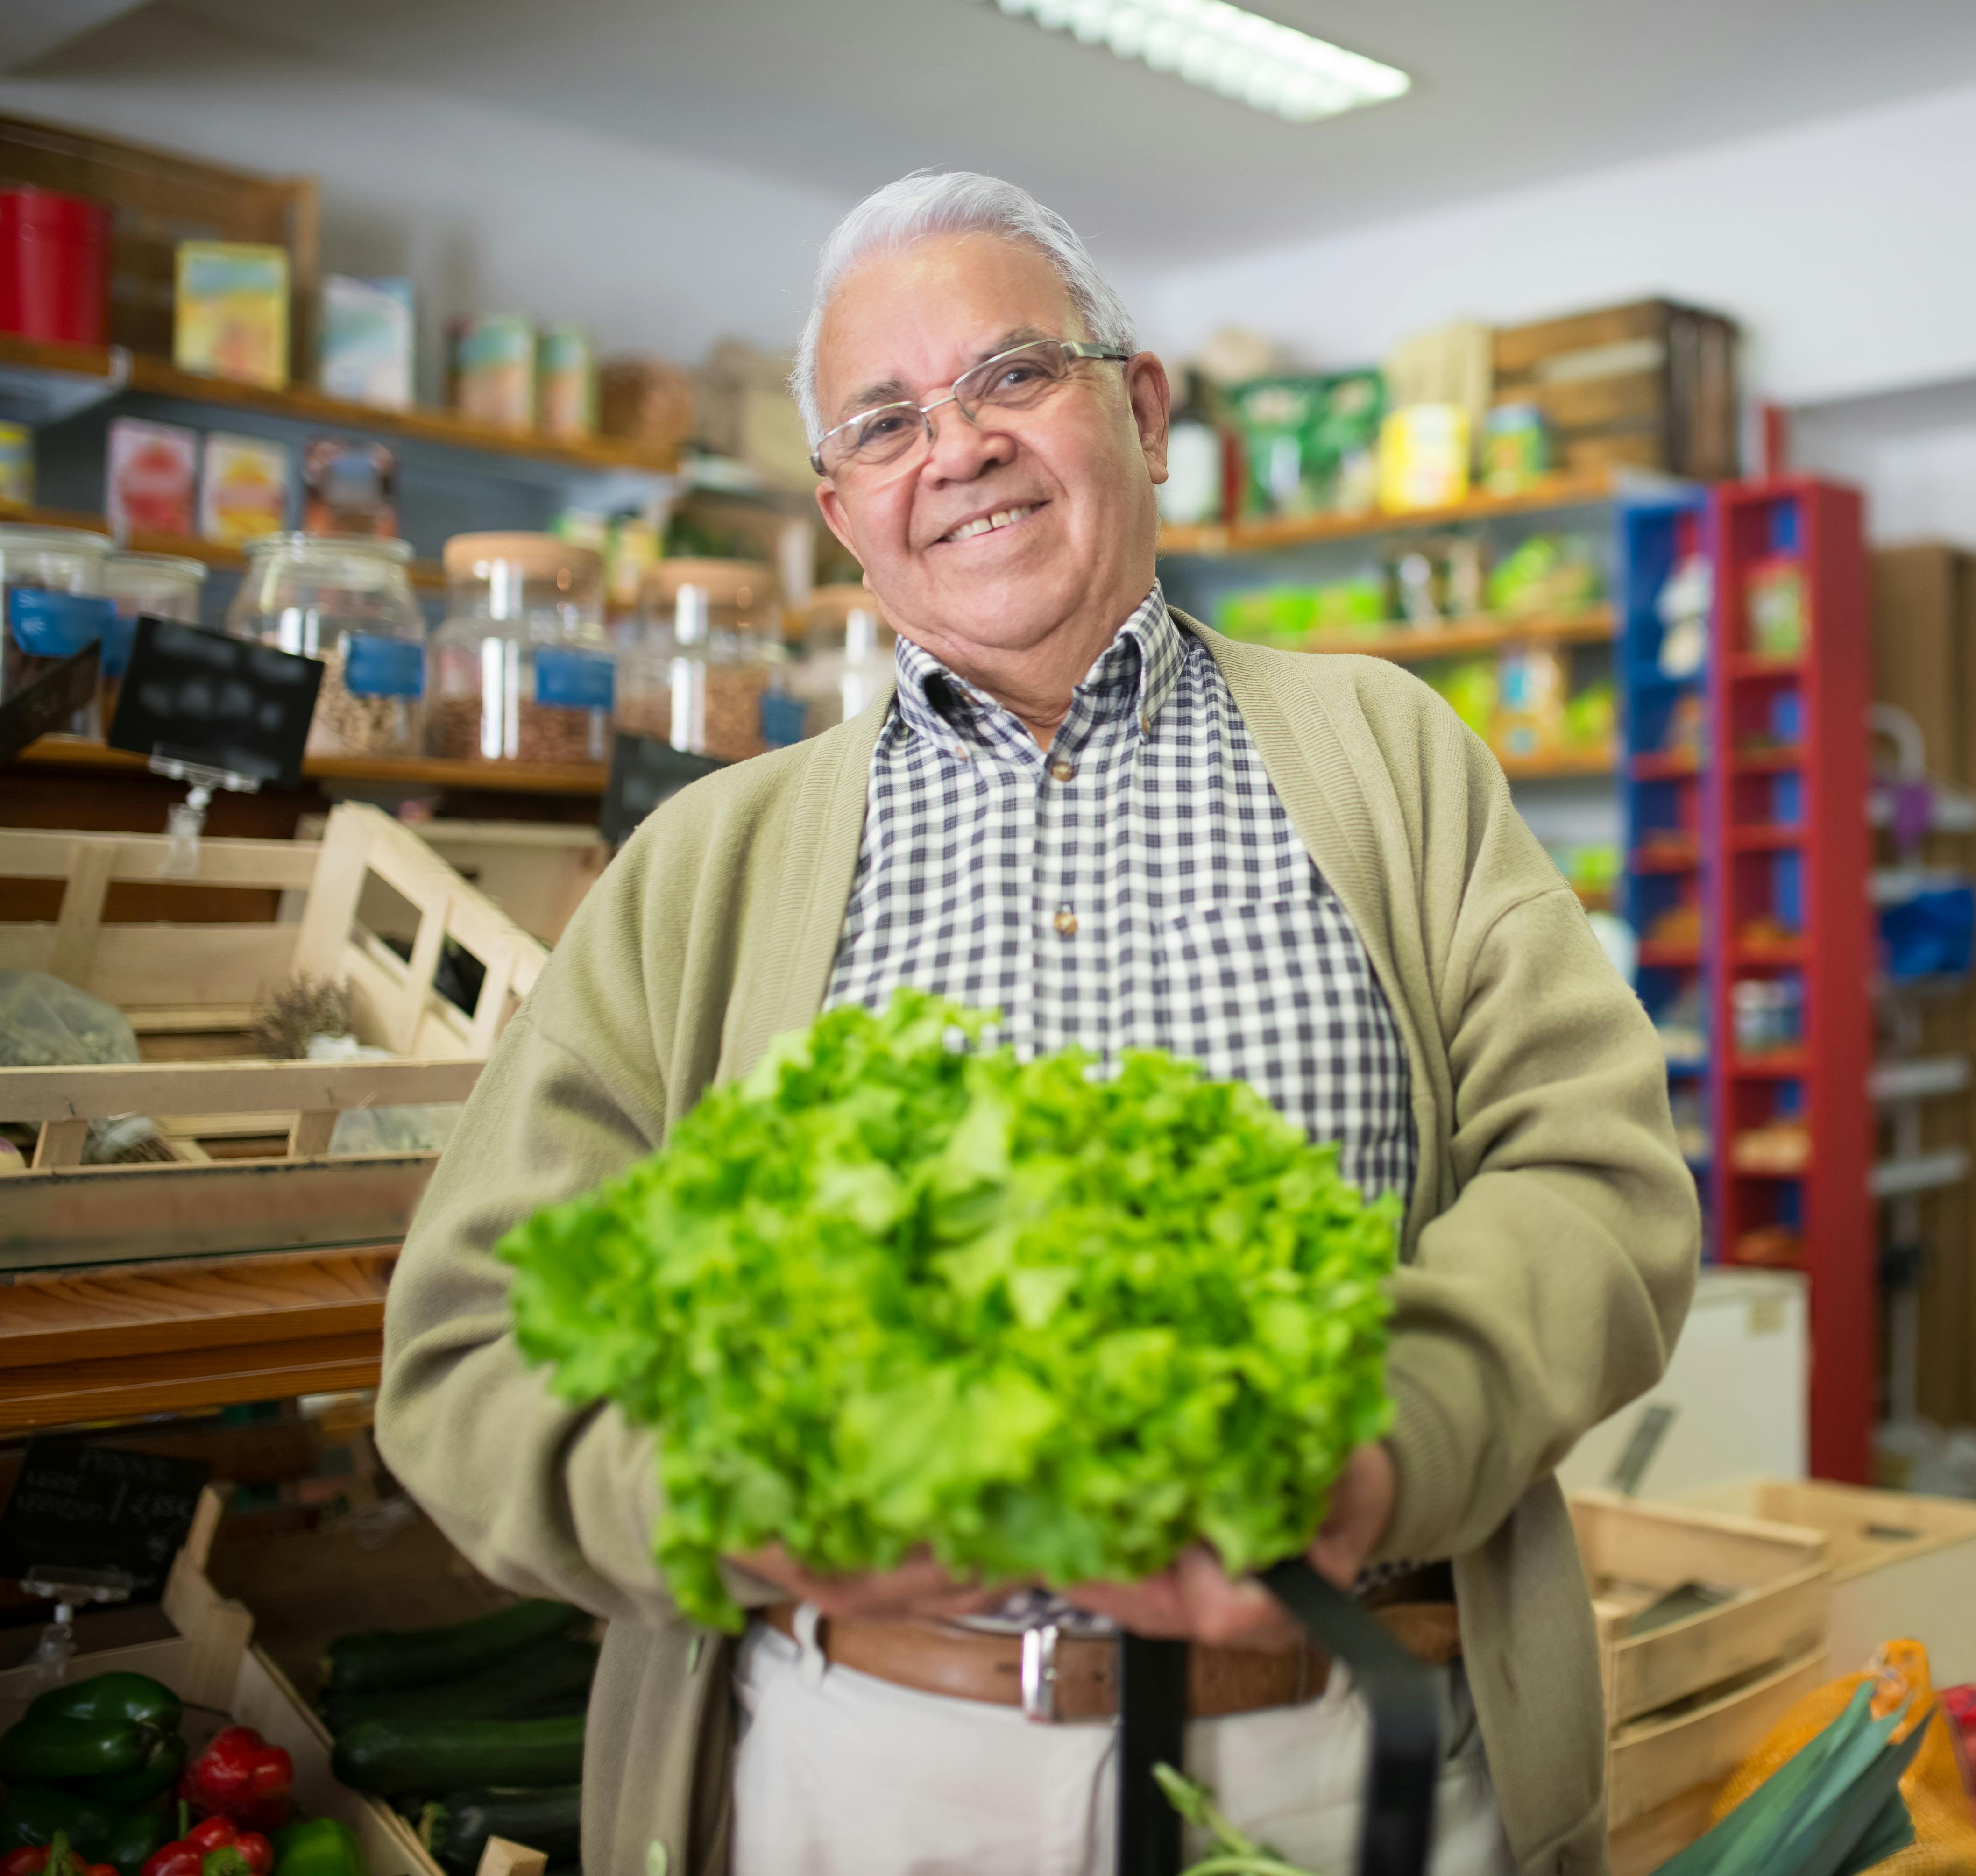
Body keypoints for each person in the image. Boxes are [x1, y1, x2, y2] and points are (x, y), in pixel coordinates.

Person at [376, 169, 1697, 1876]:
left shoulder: (1391, 755)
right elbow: (465, 1354)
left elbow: (1596, 1174)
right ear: (843, 510)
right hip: (863, 1776)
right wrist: (748, 1506)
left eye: (1013, 375)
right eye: (886, 422)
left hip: (1337, 1748)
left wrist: (1389, 1438)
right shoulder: (704, 864)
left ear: (1140, 413)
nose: (960, 449)